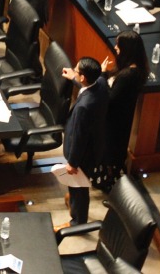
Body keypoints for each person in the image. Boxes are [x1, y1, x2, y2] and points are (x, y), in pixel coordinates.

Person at [90, 31, 147, 193]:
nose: (115, 48)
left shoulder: (128, 75)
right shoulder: (132, 69)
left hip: (115, 122)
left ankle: (110, 185)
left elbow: (111, 98)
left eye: (118, 46)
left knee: (109, 151)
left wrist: (101, 76)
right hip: (119, 118)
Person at [57, 56, 109, 229]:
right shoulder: (100, 83)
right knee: (77, 186)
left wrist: (72, 162)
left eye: (76, 70)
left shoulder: (83, 107)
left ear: (84, 78)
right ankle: (73, 203)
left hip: (84, 153)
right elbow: (98, 79)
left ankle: (78, 221)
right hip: (96, 145)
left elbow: (79, 137)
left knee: (79, 186)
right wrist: (73, 77)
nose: (74, 70)